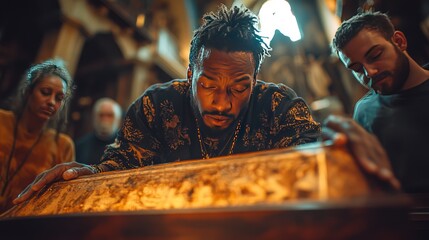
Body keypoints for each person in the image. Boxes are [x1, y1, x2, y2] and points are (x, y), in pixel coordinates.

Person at [13, 5, 399, 205]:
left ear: (256, 79)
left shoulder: (277, 104)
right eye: (208, 84)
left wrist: (336, 138)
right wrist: (86, 175)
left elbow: (308, 147)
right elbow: (122, 164)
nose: (222, 102)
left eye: (239, 87)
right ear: (190, 72)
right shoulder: (157, 105)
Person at [331, 11, 429, 193]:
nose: (369, 72)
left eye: (375, 55)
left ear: (399, 42)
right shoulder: (365, 112)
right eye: (357, 68)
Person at [0, 58, 75, 213]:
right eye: (45, 92)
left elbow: (59, 199)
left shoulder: (63, 144)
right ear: (28, 92)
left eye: (59, 98)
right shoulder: (2, 120)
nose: (51, 102)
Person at [75, 98, 122, 165]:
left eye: (110, 115)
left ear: (118, 119)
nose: (105, 119)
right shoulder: (81, 146)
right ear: (94, 117)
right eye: (101, 115)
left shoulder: (126, 147)